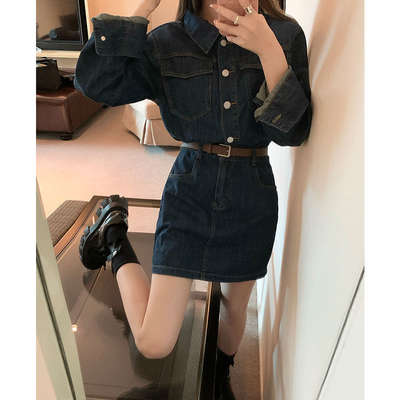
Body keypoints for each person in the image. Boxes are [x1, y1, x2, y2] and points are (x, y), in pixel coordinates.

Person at [74, 0, 312, 398]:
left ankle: (220, 375)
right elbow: (96, 84)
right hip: (191, 189)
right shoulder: (166, 41)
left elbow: (294, 133)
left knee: (233, 314)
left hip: (252, 194)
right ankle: (114, 241)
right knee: (154, 342)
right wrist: (142, 8)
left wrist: (268, 49)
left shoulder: (284, 35)